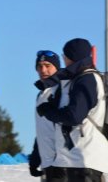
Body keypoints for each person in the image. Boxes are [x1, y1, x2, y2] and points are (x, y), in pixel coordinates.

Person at [37, 38, 108, 182]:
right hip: (76, 159)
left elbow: (75, 116)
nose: (64, 59)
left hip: (86, 159)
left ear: (73, 57)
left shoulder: (87, 79)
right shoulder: (78, 78)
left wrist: (49, 112)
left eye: (65, 56)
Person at [29, 50, 67, 182]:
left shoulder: (63, 90)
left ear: (57, 67)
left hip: (63, 164)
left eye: (47, 65)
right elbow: (43, 130)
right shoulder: (41, 95)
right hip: (48, 163)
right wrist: (35, 158)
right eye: (39, 66)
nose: (43, 70)